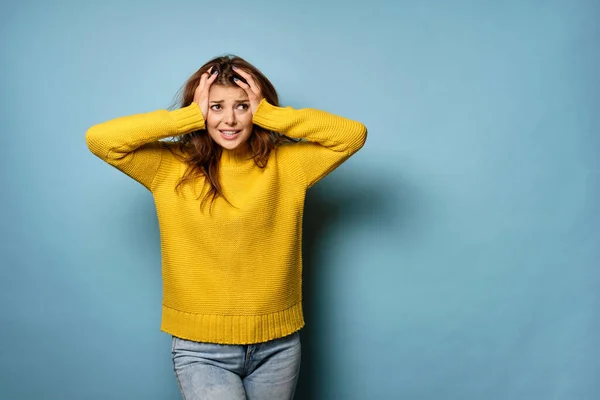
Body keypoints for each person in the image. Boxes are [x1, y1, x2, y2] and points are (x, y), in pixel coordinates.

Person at [85, 54, 367, 399]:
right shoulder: (169, 166)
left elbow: (352, 135)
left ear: (257, 109)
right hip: (201, 349)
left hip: (278, 346)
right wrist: (187, 118)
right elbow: (100, 139)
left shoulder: (289, 165)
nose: (230, 119)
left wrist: (270, 114)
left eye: (242, 106)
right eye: (216, 106)